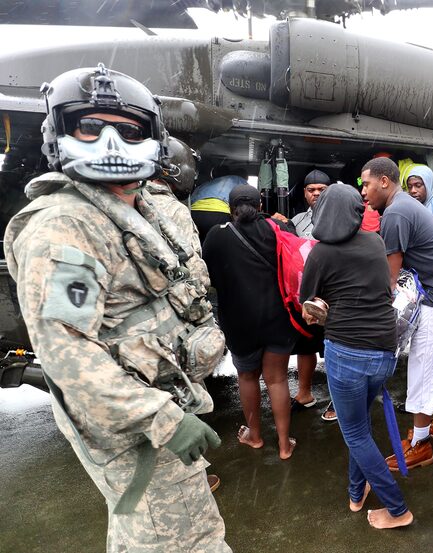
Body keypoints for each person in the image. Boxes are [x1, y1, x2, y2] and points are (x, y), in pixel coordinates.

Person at [4, 65, 230, 551]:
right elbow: (67, 353)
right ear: (58, 133)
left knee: (151, 531)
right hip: (135, 430)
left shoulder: (134, 207)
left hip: (157, 404)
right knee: (181, 540)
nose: (110, 142)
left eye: (128, 131)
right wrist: (161, 418)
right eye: (91, 126)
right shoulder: (67, 227)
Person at [300, 183, 414, 530]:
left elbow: (307, 302)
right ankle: (355, 493)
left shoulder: (321, 253)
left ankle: (397, 509)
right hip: (384, 349)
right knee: (359, 423)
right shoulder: (374, 242)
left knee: (354, 433)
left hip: (346, 351)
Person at [360, 157, 433, 471]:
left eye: (366, 184)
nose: (364, 192)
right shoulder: (406, 204)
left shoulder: (395, 212)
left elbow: (391, 279)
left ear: (384, 181)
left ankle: (420, 444)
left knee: (425, 369)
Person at [202, 183, 300, 460]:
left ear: (230, 209)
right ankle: (283, 445)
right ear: (260, 206)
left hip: (238, 321)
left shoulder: (216, 236)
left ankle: (254, 436)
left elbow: (207, 276)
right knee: (277, 379)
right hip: (277, 317)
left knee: (246, 377)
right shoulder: (277, 229)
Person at [148, 136, 221, 493]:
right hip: (171, 323)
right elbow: (196, 274)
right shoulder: (173, 209)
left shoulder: (125, 200)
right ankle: (191, 474)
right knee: (184, 397)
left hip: (140, 331)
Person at [290, 169, 334, 421]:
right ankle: (304, 393)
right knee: (305, 343)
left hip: (334, 295)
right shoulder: (296, 222)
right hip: (307, 295)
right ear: (305, 194)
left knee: (334, 348)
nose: (316, 193)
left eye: (321, 189)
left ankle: (337, 399)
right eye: (311, 190)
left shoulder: (344, 219)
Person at [191, 165, 248, 243]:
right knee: (220, 244)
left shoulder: (207, 183)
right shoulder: (238, 179)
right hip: (219, 214)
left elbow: (192, 199)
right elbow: (248, 198)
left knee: (198, 242)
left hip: (194, 213)